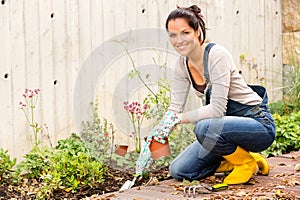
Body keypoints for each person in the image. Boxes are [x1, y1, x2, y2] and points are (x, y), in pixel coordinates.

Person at [141, 5, 276, 185]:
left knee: (203, 127)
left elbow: (217, 110)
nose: (178, 40)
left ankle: (245, 163)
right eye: (173, 35)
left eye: (185, 33)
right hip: (222, 130)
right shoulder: (181, 65)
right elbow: (174, 109)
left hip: (257, 124)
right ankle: (241, 157)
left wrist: (177, 119)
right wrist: (158, 135)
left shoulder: (216, 55)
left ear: (197, 31)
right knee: (179, 170)